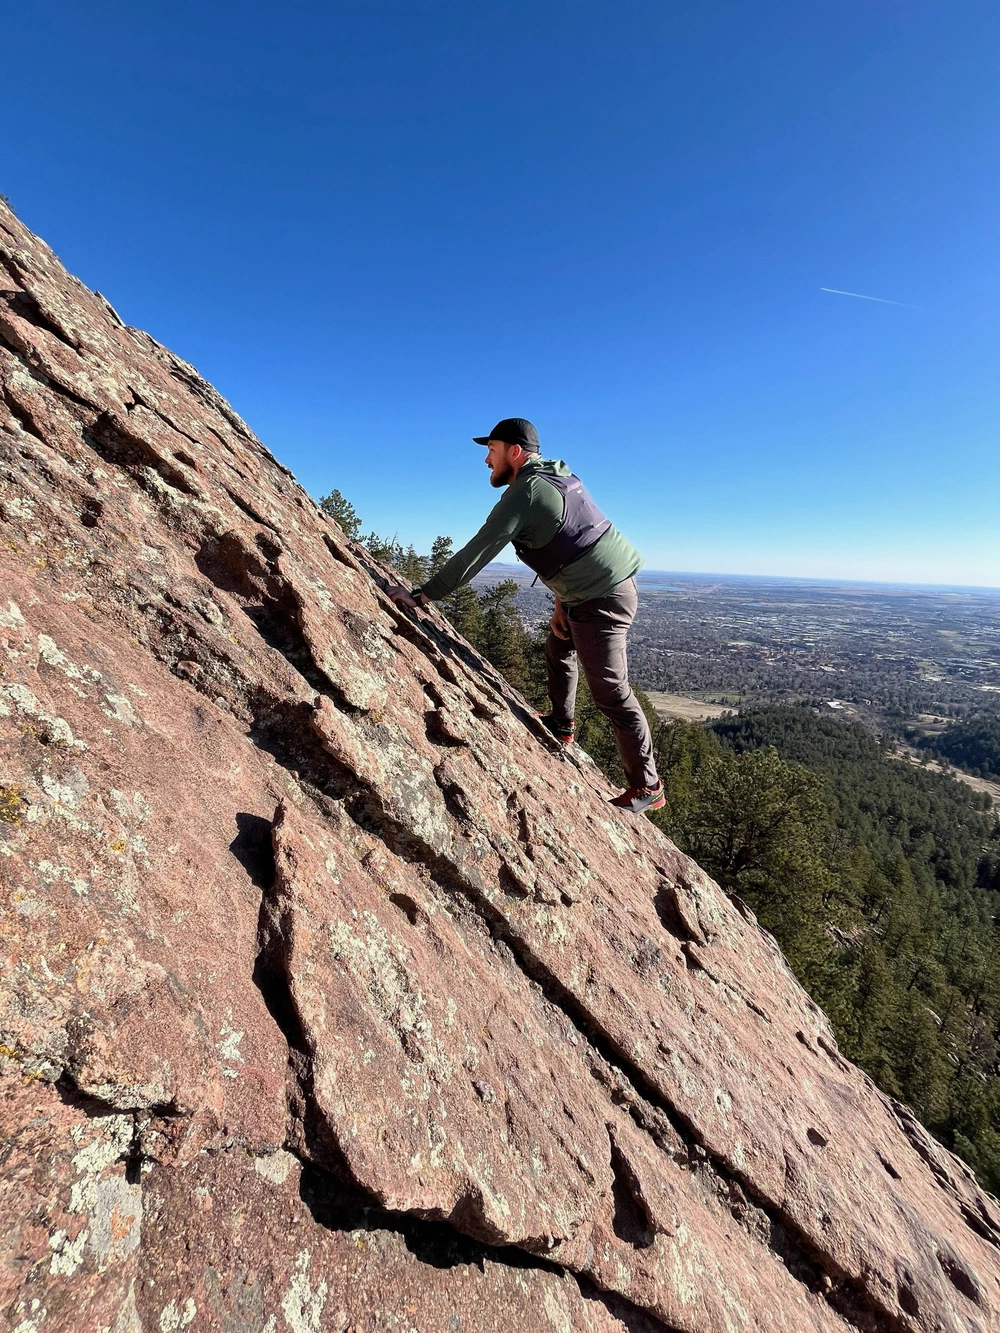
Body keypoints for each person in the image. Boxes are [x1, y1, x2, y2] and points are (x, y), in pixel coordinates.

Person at [386, 418, 663, 814]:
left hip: (602, 597)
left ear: (514, 452)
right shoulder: (557, 476)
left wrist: (422, 596)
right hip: (594, 588)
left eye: (492, 450)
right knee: (559, 646)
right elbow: (574, 542)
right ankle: (562, 725)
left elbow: (479, 550)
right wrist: (561, 605)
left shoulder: (526, 491)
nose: (486, 460)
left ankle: (648, 786)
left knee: (611, 692)